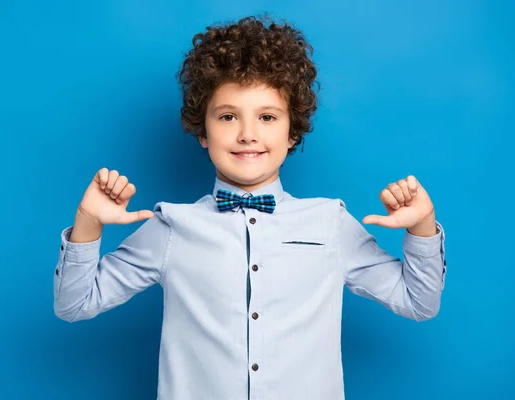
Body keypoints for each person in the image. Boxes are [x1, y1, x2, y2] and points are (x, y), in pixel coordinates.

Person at [53, 16, 446, 400]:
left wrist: (422, 227)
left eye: (267, 117)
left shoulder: (330, 223)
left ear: (292, 131)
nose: (247, 134)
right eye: (227, 116)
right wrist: (88, 223)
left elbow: (419, 302)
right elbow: (75, 304)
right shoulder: (171, 226)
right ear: (202, 131)